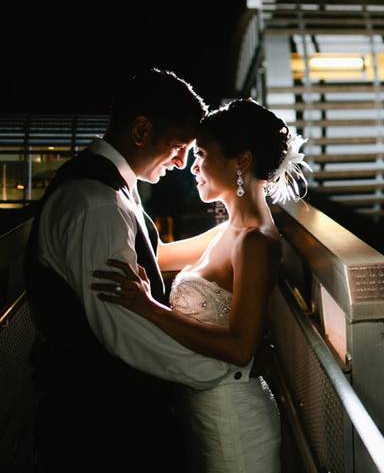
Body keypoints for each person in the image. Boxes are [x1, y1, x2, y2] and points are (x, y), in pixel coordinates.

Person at [24, 69, 254, 473]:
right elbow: (120, 329)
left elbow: (155, 258)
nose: (183, 163)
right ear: (141, 129)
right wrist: (219, 371)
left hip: (106, 413)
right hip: (102, 425)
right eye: (179, 145)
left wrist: (248, 221)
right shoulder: (98, 203)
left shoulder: (110, 187)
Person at [92, 98, 311, 473]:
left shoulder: (256, 242)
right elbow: (157, 255)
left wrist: (148, 307)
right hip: (204, 411)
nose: (193, 166)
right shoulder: (228, 231)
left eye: (202, 154)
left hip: (236, 421)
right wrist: (127, 185)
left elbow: (241, 347)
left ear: (241, 161)